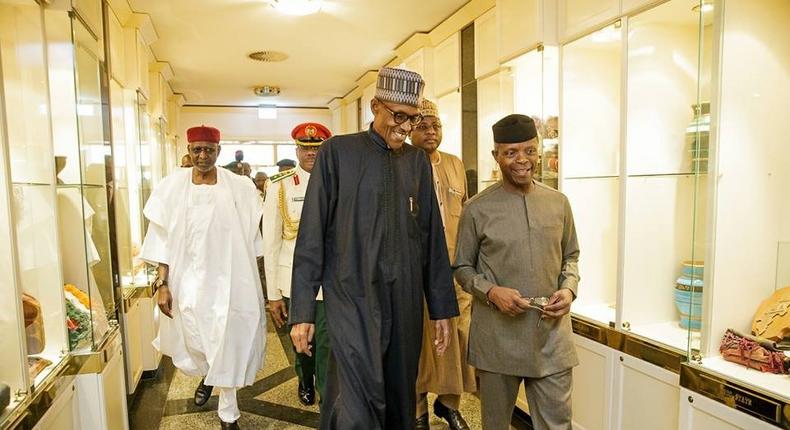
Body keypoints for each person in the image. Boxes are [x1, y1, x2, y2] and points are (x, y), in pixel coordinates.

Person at [288, 67, 459, 430]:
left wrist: (442, 309)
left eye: (412, 119)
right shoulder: (337, 152)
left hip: (406, 304)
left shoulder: (416, 162)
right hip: (352, 299)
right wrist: (302, 311)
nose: (405, 127)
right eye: (398, 116)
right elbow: (311, 236)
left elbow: (431, 241)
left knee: (400, 399)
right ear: (374, 106)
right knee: (353, 404)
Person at [453, 114, 580, 430]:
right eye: (511, 153)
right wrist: (492, 292)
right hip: (498, 339)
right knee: (496, 424)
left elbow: (571, 256)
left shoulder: (559, 202)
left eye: (529, 150)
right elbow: (462, 268)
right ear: (496, 156)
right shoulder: (477, 209)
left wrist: (569, 289)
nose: (522, 160)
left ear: (538, 151)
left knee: (557, 425)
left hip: (552, 337)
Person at [139, 125, 266, 430]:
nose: (202, 155)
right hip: (188, 282)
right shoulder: (172, 187)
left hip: (232, 281)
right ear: (189, 150)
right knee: (196, 339)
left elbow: (253, 240)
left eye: (209, 149)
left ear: (218, 152)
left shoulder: (240, 187)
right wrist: (163, 284)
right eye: (197, 149)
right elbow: (161, 240)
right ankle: (211, 376)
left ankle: (228, 413)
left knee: (229, 340)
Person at [410, 99, 475, 430]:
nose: (431, 132)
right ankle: (418, 407)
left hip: (455, 269)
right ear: (409, 130)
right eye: (422, 126)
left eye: (435, 126)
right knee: (420, 342)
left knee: (460, 337)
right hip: (416, 272)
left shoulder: (454, 163)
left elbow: (464, 214)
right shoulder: (402, 163)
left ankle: (449, 404)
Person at [263, 122, 332, 406]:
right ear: (297, 149)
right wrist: (273, 295)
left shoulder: (338, 181)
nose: (311, 153)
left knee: (328, 344)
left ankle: (328, 396)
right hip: (295, 282)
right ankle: (305, 378)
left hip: (330, 284)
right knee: (303, 344)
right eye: (305, 148)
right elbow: (271, 243)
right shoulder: (279, 186)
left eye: (316, 148)